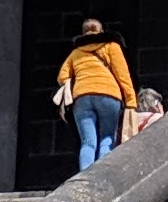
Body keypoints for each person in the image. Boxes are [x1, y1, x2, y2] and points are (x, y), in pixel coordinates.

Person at [53, 18, 137, 171]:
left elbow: (62, 77)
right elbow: (123, 75)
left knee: (87, 142)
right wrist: (131, 100)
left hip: (82, 97)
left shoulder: (76, 53)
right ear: (101, 31)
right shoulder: (111, 46)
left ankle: (85, 175)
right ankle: (102, 174)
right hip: (108, 95)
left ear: (83, 32)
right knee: (107, 137)